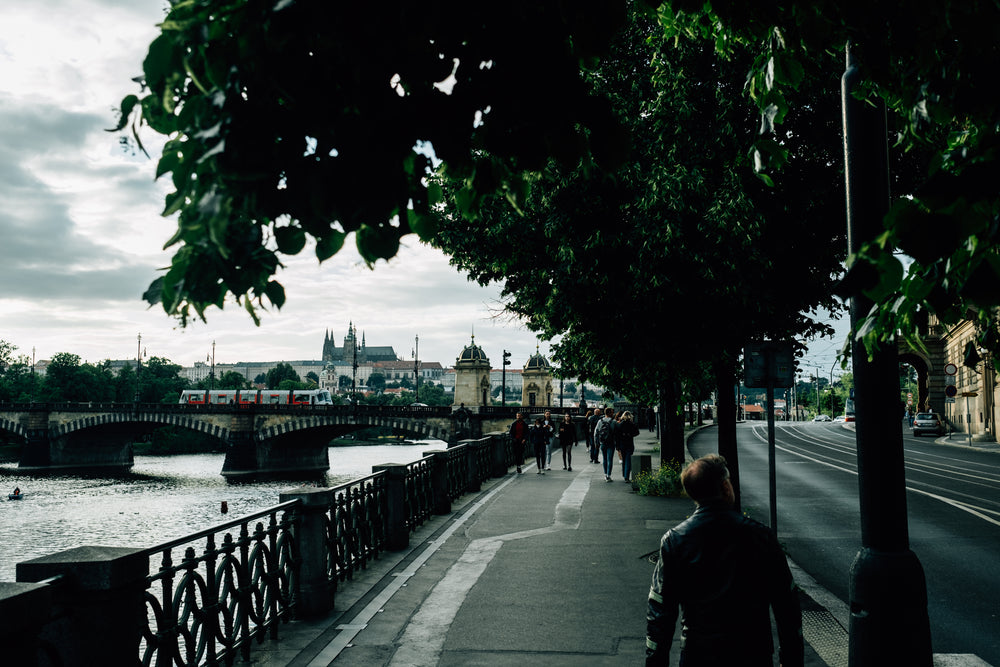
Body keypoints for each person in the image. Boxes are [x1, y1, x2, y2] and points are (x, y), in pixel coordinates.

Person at [645, 454, 803, 667]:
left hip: (698, 654)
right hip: (752, 653)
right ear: (725, 488)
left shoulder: (674, 541)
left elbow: (660, 611)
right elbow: (786, 606)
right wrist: (792, 660)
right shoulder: (760, 536)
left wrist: (655, 661)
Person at [594, 407, 618, 482]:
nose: (613, 413)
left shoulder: (600, 421)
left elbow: (596, 432)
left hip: (602, 442)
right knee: (610, 459)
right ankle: (608, 475)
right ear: (610, 413)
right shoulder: (613, 422)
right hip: (611, 443)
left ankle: (605, 474)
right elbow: (617, 433)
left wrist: (596, 443)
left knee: (604, 459)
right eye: (612, 412)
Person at [617, 411, 639, 482]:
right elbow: (637, 432)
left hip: (622, 444)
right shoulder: (632, 424)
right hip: (629, 443)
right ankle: (626, 476)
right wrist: (630, 435)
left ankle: (624, 474)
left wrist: (617, 446)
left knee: (624, 460)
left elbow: (617, 435)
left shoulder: (620, 424)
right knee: (628, 460)